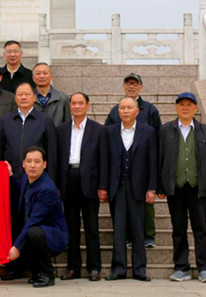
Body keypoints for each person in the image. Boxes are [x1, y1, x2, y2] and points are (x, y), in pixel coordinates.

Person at [0, 81, 58, 281]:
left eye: (27, 94)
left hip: (36, 183)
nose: (23, 97)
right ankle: (14, 267)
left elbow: (53, 152)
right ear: (15, 98)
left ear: (33, 97)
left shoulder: (44, 120)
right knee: (13, 222)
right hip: (13, 182)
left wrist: (53, 181)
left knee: (33, 224)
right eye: (20, 94)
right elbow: (0, 152)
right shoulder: (6, 121)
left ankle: (36, 268)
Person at [158, 92, 206, 283]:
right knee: (178, 228)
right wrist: (159, 184)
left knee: (200, 228)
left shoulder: (204, 131)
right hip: (175, 187)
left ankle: (204, 268)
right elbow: (159, 159)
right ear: (176, 108)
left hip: (197, 187)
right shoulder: (166, 130)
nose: (185, 107)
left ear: (196, 108)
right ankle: (181, 267)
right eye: (181, 104)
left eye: (189, 104)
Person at [105, 73, 162, 248]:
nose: (131, 87)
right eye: (128, 84)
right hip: (120, 165)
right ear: (123, 87)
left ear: (141, 87)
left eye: (135, 84)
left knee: (145, 204)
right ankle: (126, 236)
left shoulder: (149, 109)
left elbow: (158, 136)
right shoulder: (116, 110)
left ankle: (148, 236)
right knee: (122, 206)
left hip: (142, 165)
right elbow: (107, 135)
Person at [56, 92, 108, 281]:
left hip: (90, 182)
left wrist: (103, 185)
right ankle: (73, 268)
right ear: (70, 106)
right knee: (71, 227)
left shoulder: (98, 130)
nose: (77, 106)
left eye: (81, 103)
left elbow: (104, 160)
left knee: (92, 227)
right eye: (74, 103)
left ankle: (94, 268)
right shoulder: (61, 130)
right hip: (68, 179)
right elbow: (57, 159)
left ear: (88, 105)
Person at [105, 97, 157, 282]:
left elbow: (153, 161)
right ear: (118, 111)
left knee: (137, 229)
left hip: (139, 188)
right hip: (116, 187)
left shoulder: (148, 132)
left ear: (137, 111)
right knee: (118, 230)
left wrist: (152, 187)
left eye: (129, 107)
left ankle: (140, 269)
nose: (125, 111)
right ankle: (118, 269)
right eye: (122, 108)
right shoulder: (109, 131)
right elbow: (105, 161)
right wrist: (103, 186)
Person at [7, 147, 68, 288]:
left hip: (53, 235)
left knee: (32, 232)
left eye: (37, 161)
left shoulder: (47, 189)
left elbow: (34, 220)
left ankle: (48, 274)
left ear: (44, 164)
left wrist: (16, 246)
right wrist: (10, 175)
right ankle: (37, 273)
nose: (32, 165)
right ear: (23, 163)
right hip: (36, 229)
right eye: (29, 161)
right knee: (25, 230)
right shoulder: (25, 178)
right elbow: (19, 193)